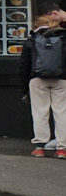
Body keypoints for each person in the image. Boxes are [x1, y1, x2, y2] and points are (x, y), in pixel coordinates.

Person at [22, 11, 66, 157]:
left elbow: (24, 65)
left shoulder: (32, 40)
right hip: (61, 79)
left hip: (37, 79)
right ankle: (62, 148)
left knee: (40, 112)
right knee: (61, 112)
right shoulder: (63, 38)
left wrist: (25, 88)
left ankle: (40, 147)